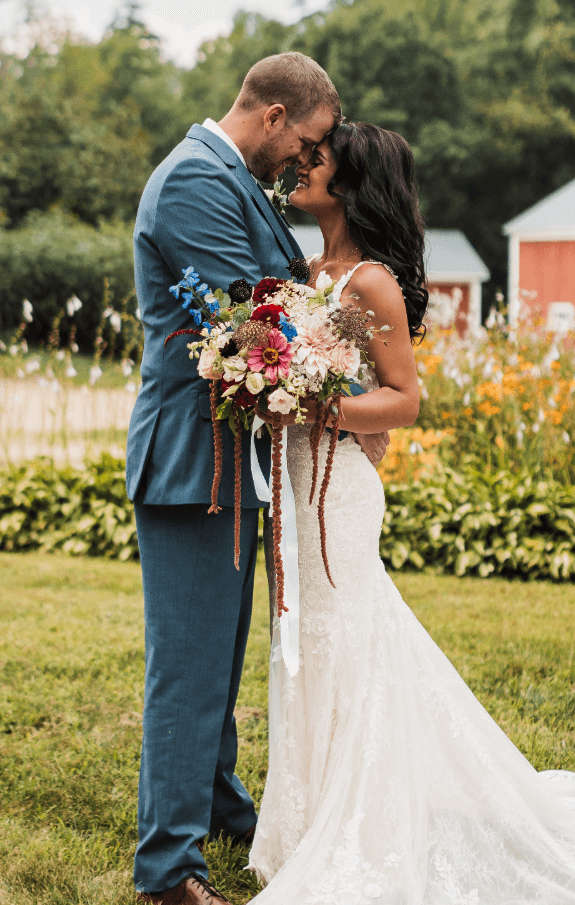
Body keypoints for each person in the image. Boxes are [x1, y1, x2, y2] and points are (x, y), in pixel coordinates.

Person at [248, 122, 575, 903]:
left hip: (340, 489)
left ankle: (356, 818)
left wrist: (316, 403)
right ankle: (305, 814)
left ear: (352, 182)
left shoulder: (366, 282)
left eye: (316, 160)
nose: (301, 166)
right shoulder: (305, 270)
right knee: (302, 643)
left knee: (343, 639)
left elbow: (401, 399)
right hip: (295, 481)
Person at [125, 53, 346, 905]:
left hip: (228, 458)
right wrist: (345, 366)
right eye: (310, 141)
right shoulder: (193, 180)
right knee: (186, 664)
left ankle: (218, 806)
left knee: (214, 657)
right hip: (192, 461)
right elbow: (247, 317)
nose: (307, 160)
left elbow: (273, 303)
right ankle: (168, 869)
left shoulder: (228, 176)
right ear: (276, 114)